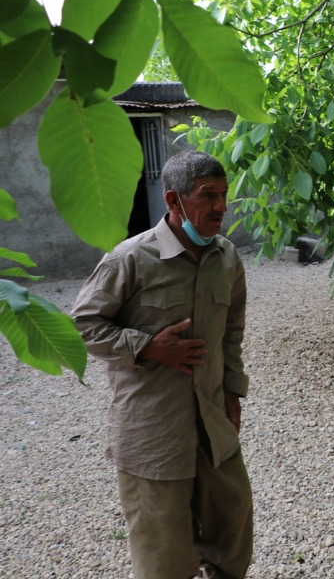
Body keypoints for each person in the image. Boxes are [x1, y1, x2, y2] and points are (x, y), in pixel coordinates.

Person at [72, 151, 253, 579]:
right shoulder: (130, 259)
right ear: (174, 200)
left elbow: (231, 332)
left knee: (233, 530)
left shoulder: (226, 258)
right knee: (163, 557)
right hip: (152, 432)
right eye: (208, 196)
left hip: (212, 424)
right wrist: (147, 346)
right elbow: (83, 324)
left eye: (224, 196)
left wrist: (231, 390)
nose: (221, 208)